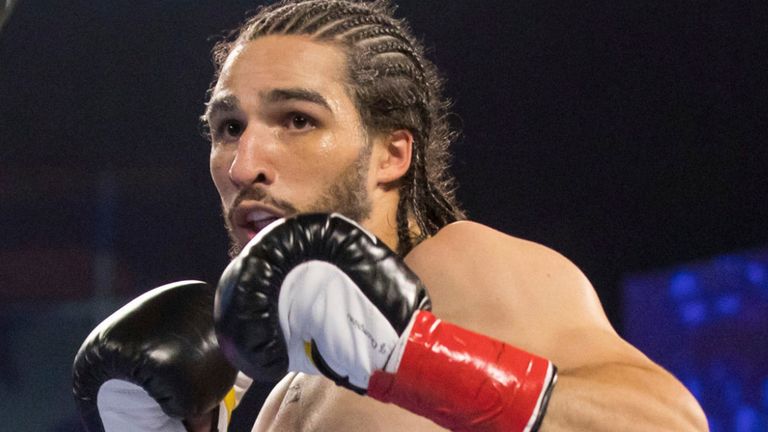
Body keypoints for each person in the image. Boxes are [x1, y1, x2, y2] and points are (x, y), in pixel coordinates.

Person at [73, 1, 708, 431]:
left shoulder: (459, 268)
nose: (244, 165)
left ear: (392, 154)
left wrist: (420, 358)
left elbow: (668, 423)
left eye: (297, 120)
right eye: (228, 127)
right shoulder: (282, 395)